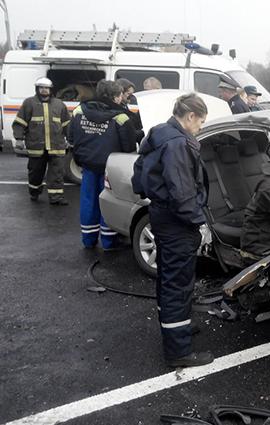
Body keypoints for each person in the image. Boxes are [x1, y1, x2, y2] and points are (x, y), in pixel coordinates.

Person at [131, 93, 213, 368]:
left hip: (162, 216)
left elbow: (139, 174)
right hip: (178, 221)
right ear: (190, 117)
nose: (201, 128)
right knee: (178, 283)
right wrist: (199, 223)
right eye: (201, 122)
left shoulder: (159, 132)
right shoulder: (178, 143)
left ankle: (175, 329)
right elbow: (183, 192)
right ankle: (178, 351)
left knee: (168, 278)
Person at [69, 80, 137, 249]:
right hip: (111, 168)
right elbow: (128, 147)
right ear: (116, 96)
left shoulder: (79, 111)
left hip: (88, 166)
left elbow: (71, 138)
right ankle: (108, 242)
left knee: (88, 202)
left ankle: (89, 240)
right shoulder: (121, 117)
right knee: (110, 202)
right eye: (121, 95)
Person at [12, 77, 71, 205]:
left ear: (51, 89)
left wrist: (71, 139)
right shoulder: (29, 103)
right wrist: (19, 139)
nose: (44, 90)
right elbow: (20, 123)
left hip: (56, 146)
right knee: (35, 173)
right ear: (37, 89)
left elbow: (67, 124)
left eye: (46, 88)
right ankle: (34, 192)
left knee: (57, 173)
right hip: (36, 147)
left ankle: (56, 198)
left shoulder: (59, 104)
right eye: (41, 87)